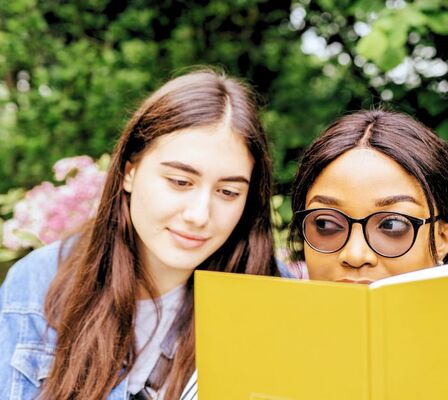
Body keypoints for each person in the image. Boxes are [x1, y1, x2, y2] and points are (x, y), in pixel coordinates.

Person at [179, 109, 448, 400]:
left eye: (392, 226)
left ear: (443, 238)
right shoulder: (235, 360)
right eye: (326, 224)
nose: (355, 254)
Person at [0, 69, 276, 400]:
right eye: (180, 182)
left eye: (228, 192)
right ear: (130, 172)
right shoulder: (38, 283)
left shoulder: (275, 301)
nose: (199, 215)